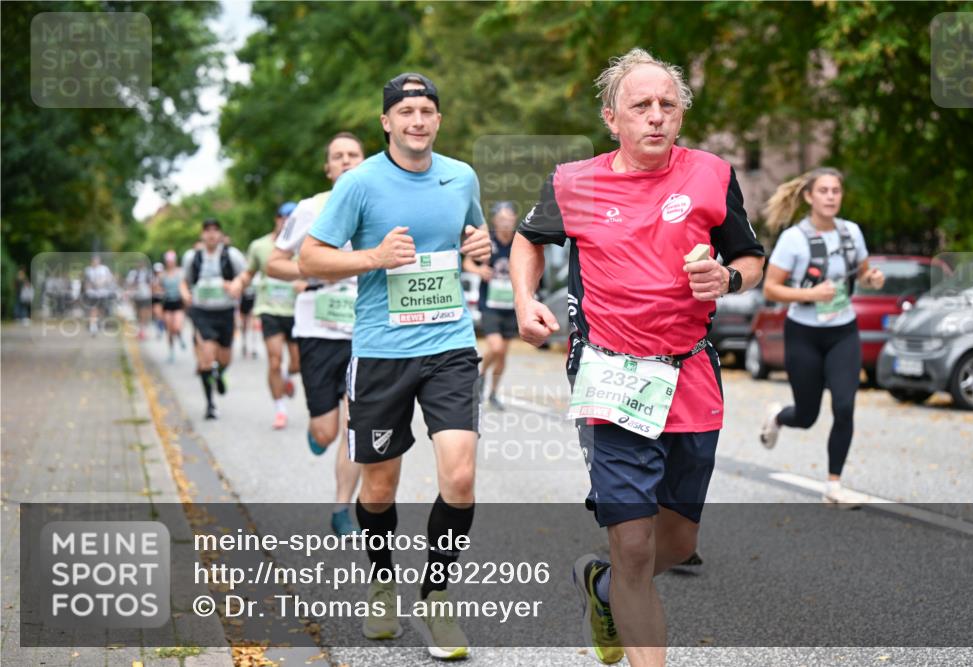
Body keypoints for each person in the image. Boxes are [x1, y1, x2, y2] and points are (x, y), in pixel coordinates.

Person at [510, 48, 765, 666]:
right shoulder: (573, 181)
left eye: (667, 106)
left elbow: (751, 261)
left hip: (691, 375)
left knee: (673, 544)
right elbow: (526, 240)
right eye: (641, 106)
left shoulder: (711, 174)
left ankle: (597, 585)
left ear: (680, 117)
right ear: (611, 117)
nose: (655, 117)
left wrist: (727, 281)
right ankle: (621, 588)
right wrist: (524, 301)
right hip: (609, 377)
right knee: (633, 549)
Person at [299, 73, 491, 660]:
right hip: (382, 352)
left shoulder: (461, 176)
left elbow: (473, 233)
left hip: (450, 345)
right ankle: (382, 579)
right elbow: (311, 255)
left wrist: (479, 248)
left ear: (438, 119)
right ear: (386, 121)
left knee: (458, 477)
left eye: (427, 110)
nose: (417, 120)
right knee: (380, 488)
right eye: (405, 110)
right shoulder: (359, 184)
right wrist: (374, 258)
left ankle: (435, 598)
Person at [758, 167, 885, 506]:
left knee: (844, 407)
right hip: (804, 334)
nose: (831, 196)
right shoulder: (793, 240)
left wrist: (872, 278)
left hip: (843, 331)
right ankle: (779, 416)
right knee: (807, 415)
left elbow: (863, 270)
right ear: (809, 197)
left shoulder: (851, 233)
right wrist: (810, 296)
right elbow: (771, 288)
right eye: (824, 191)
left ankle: (834, 485)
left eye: (836, 191)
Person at [267, 132, 366, 535]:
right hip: (317, 332)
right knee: (326, 430)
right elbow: (275, 263)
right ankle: (316, 431)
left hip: (367, 331)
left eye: (352, 155)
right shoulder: (310, 209)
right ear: (328, 168)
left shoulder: (382, 206)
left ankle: (342, 510)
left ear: (365, 161)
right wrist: (315, 269)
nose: (345, 161)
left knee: (355, 425)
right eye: (337, 156)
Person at [232, 203, 302, 429]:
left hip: (297, 312)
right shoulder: (260, 246)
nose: (286, 222)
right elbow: (248, 272)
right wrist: (238, 283)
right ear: (276, 219)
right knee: (274, 361)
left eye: (292, 219)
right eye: (283, 217)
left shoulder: (304, 246)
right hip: (269, 310)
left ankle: (286, 377)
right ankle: (280, 409)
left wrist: (305, 283)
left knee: (297, 363)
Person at [180, 219, 247, 419]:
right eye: (207, 231)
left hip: (225, 312)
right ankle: (210, 404)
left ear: (220, 234)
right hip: (202, 312)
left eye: (215, 231)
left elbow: (245, 277)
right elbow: (185, 282)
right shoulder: (193, 257)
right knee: (207, 357)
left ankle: (220, 373)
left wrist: (234, 286)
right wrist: (185, 294)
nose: (211, 234)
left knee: (225, 359)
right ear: (202, 235)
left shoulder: (231, 255)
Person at [463, 201, 519, 410]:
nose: (505, 222)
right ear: (494, 220)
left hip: (512, 305)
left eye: (508, 218)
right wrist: (479, 271)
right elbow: (467, 262)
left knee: (503, 353)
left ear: (514, 219)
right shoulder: (489, 241)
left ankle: (493, 393)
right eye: (500, 218)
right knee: (494, 347)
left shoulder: (520, 242)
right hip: (490, 304)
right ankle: (480, 375)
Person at [160, 250, 187, 362]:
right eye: (168, 261)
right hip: (167, 303)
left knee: (176, 326)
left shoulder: (180, 273)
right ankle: (171, 352)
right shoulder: (162, 275)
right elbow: (158, 288)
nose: (170, 263)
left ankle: (180, 336)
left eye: (172, 261)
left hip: (178, 302)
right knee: (170, 330)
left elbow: (184, 286)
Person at [83, 254, 117, 336]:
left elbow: (110, 279)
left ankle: (99, 322)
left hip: (103, 293)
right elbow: (86, 282)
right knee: (93, 309)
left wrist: (103, 282)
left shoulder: (104, 269)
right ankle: (93, 326)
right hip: (92, 294)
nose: (95, 262)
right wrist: (87, 290)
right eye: (93, 261)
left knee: (101, 310)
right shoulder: (88, 270)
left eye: (96, 260)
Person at [125, 262, 154, 340]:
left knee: (144, 313)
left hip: (146, 295)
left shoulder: (147, 273)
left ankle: (143, 330)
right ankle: (141, 330)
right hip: (137, 296)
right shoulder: (133, 274)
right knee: (138, 313)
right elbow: (129, 284)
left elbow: (151, 284)